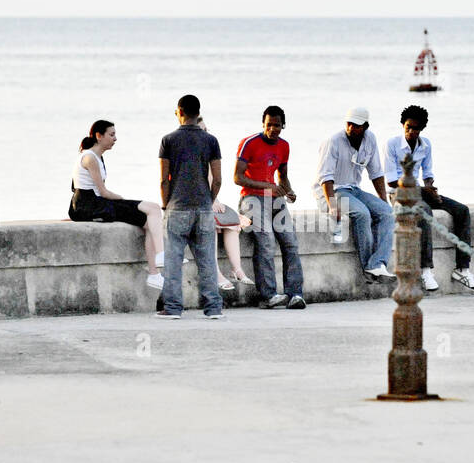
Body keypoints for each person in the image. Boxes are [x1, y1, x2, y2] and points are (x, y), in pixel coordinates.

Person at [385, 105, 474, 292]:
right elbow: (391, 181)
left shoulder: (426, 145)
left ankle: (462, 269)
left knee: (462, 210)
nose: (411, 132)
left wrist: (430, 188)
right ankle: (425, 269)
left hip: (420, 190)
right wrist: (423, 190)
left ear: (422, 129)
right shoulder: (392, 144)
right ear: (402, 125)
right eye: (408, 127)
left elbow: (428, 172)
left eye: (416, 128)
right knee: (425, 211)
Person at [70, 120, 165, 289]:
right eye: (111, 135)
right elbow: (103, 192)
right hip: (91, 206)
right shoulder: (89, 158)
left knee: (152, 215)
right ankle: (159, 258)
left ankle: (155, 272)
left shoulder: (96, 157)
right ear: (99, 136)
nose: (115, 139)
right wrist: (123, 200)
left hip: (95, 203)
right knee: (152, 209)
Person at [157, 94, 224, 319]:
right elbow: (218, 180)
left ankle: (173, 308)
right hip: (203, 208)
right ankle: (213, 308)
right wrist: (209, 198)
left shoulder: (168, 140)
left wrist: (166, 205)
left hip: (177, 207)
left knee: (173, 261)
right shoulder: (211, 140)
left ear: (180, 112)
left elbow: (163, 179)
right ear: (198, 113)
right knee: (206, 261)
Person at [312, 107, 395, 281]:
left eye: (356, 125)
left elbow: (376, 172)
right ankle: (368, 268)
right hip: (331, 191)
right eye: (349, 124)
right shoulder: (333, 142)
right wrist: (333, 206)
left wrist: (383, 200)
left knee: (387, 213)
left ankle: (377, 264)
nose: (351, 128)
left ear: (365, 126)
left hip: (353, 189)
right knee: (362, 214)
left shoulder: (370, 139)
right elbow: (325, 178)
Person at [235, 106, 306, 309]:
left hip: (275, 199)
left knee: (290, 242)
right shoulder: (249, 143)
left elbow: (282, 176)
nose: (272, 129)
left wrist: (289, 191)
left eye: (277, 125)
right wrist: (268, 186)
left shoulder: (284, 146)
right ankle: (268, 296)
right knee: (266, 241)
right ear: (263, 124)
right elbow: (237, 178)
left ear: (283, 125)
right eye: (269, 125)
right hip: (251, 199)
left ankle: (295, 294)